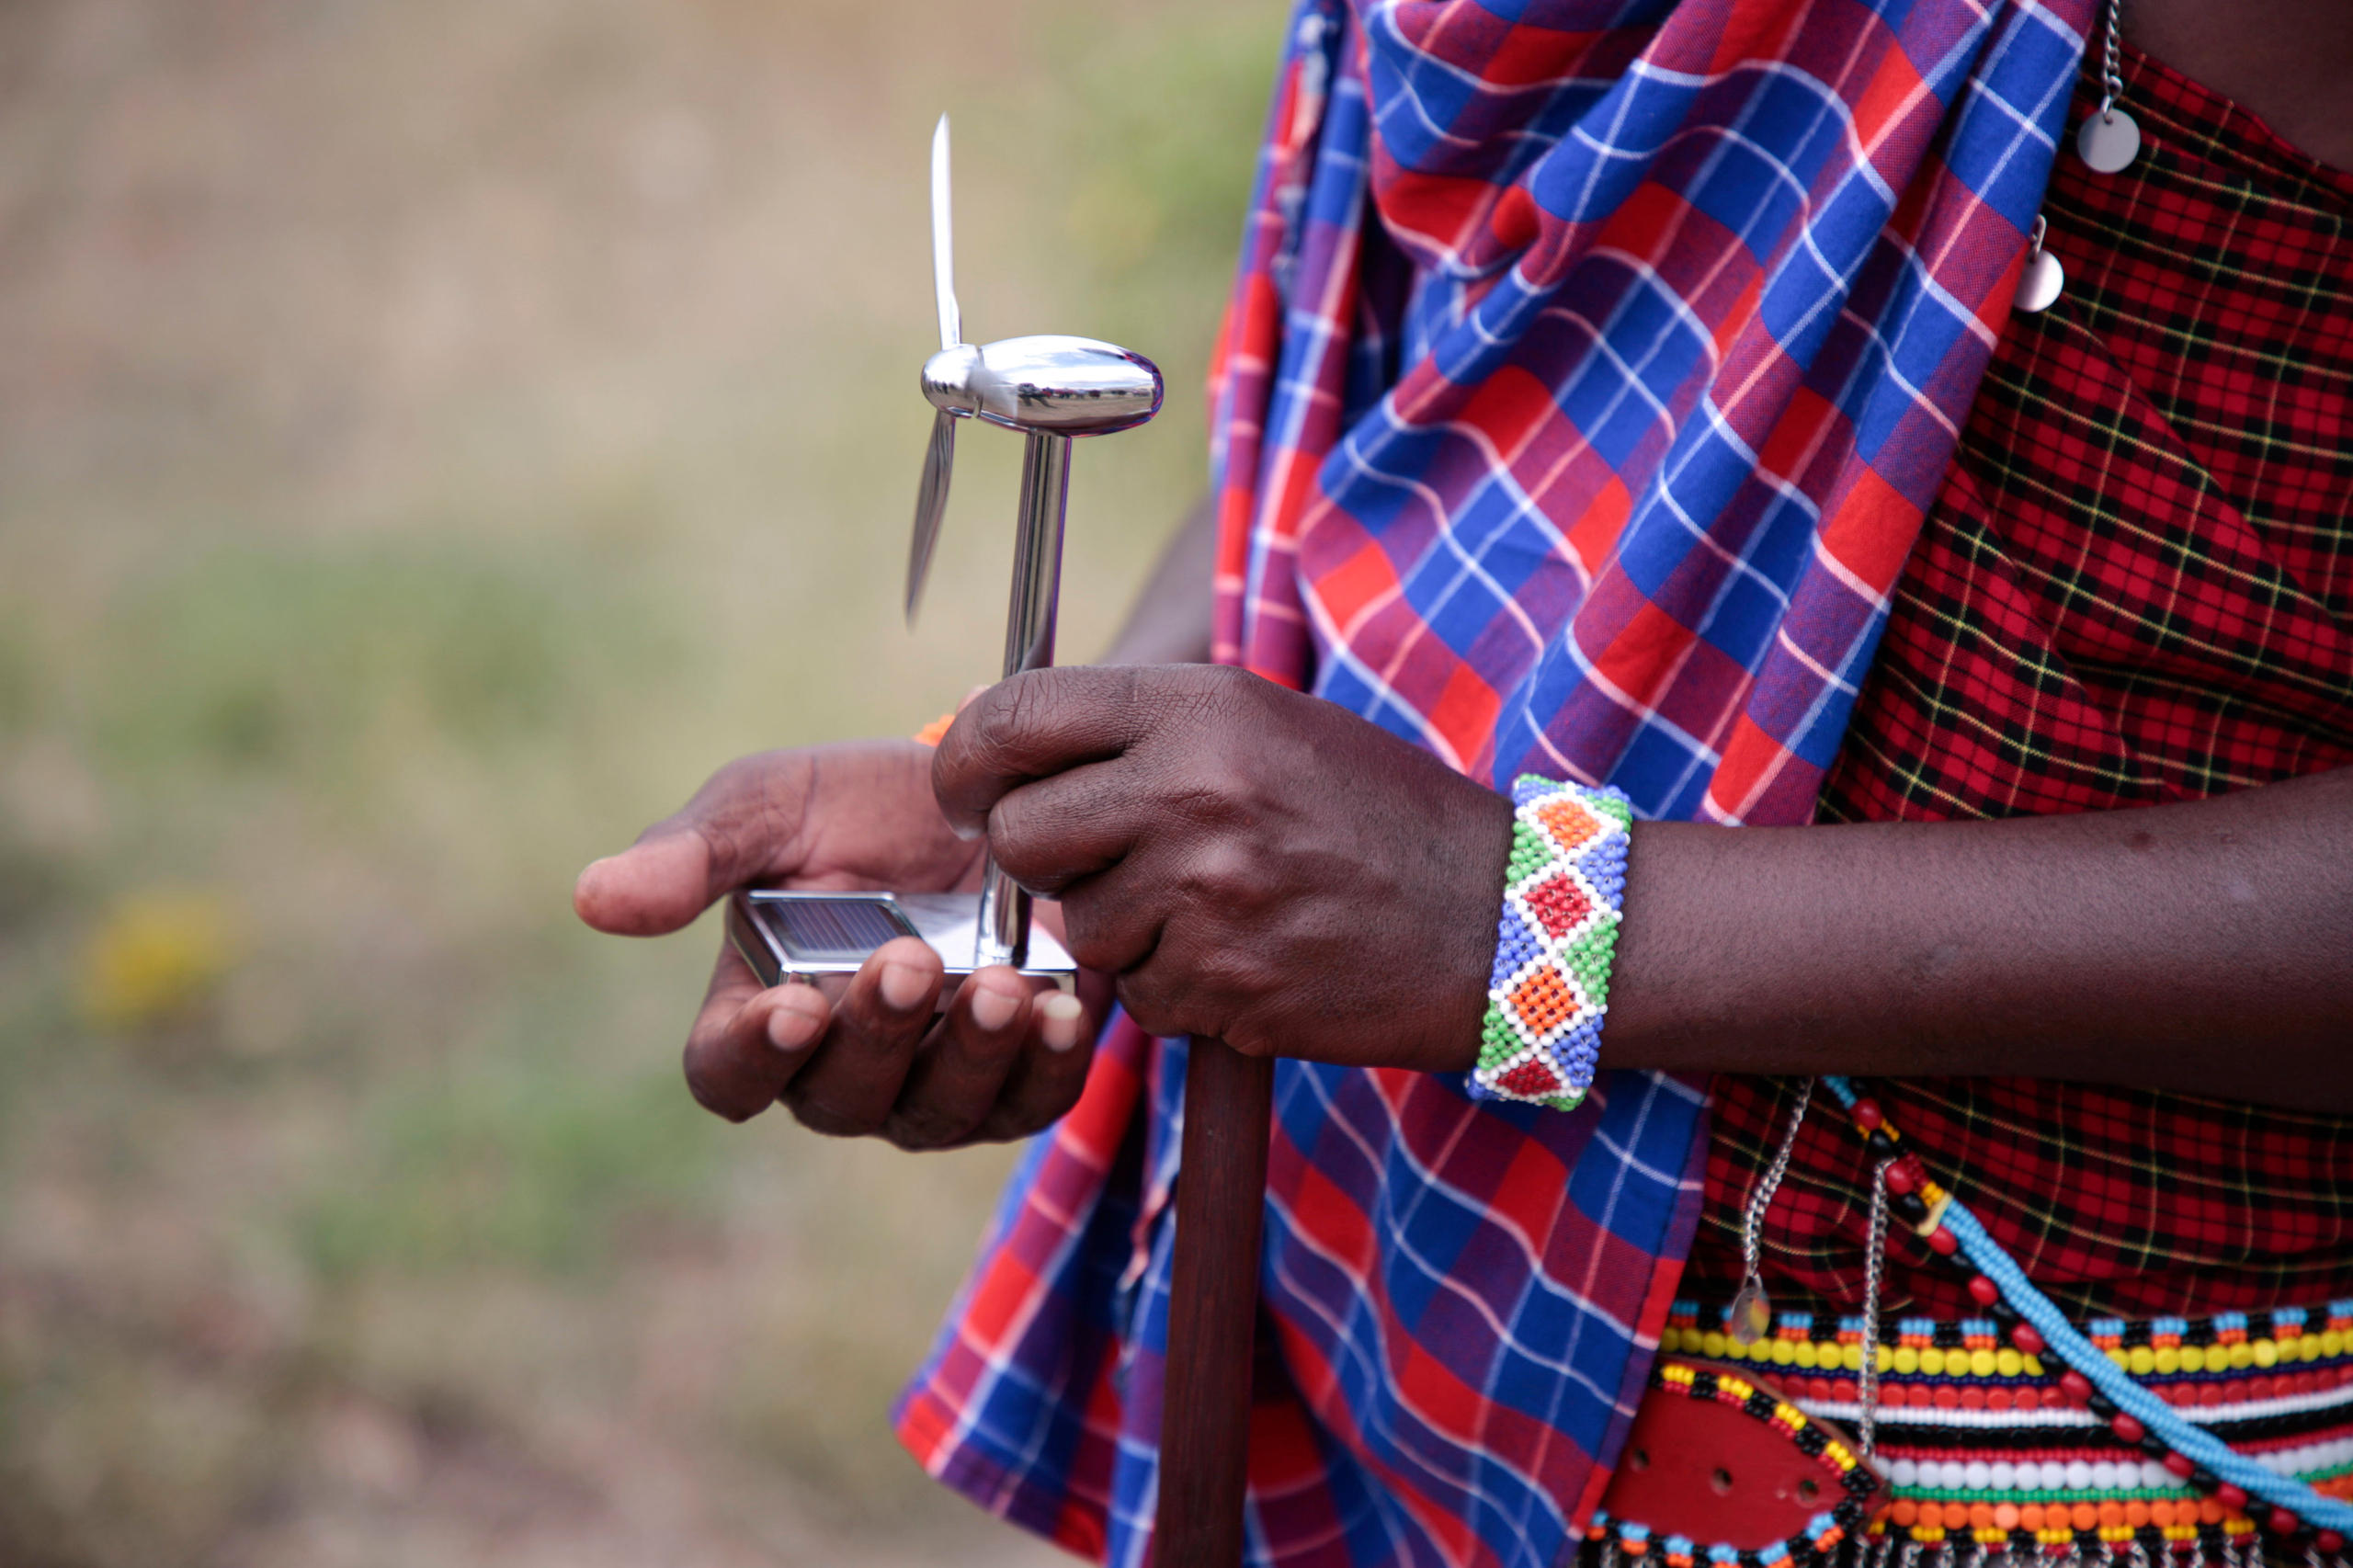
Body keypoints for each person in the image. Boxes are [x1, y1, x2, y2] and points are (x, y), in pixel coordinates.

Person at [576, 0, 2353, 1562]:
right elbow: (1427, 380)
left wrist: (1525, 925)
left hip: (2063, 1429)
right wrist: (1043, 830)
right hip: (1367, 1338)